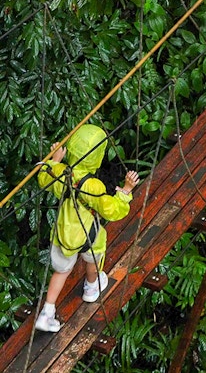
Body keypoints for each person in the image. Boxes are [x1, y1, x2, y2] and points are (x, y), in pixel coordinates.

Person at [35, 124, 139, 332]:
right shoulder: (93, 185)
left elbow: (43, 179)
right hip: (86, 231)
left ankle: (47, 312)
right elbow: (111, 210)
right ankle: (91, 287)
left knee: (61, 271)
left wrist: (54, 161)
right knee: (94, 254)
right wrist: (126, 191)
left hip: (64, 230)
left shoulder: (61, 172)